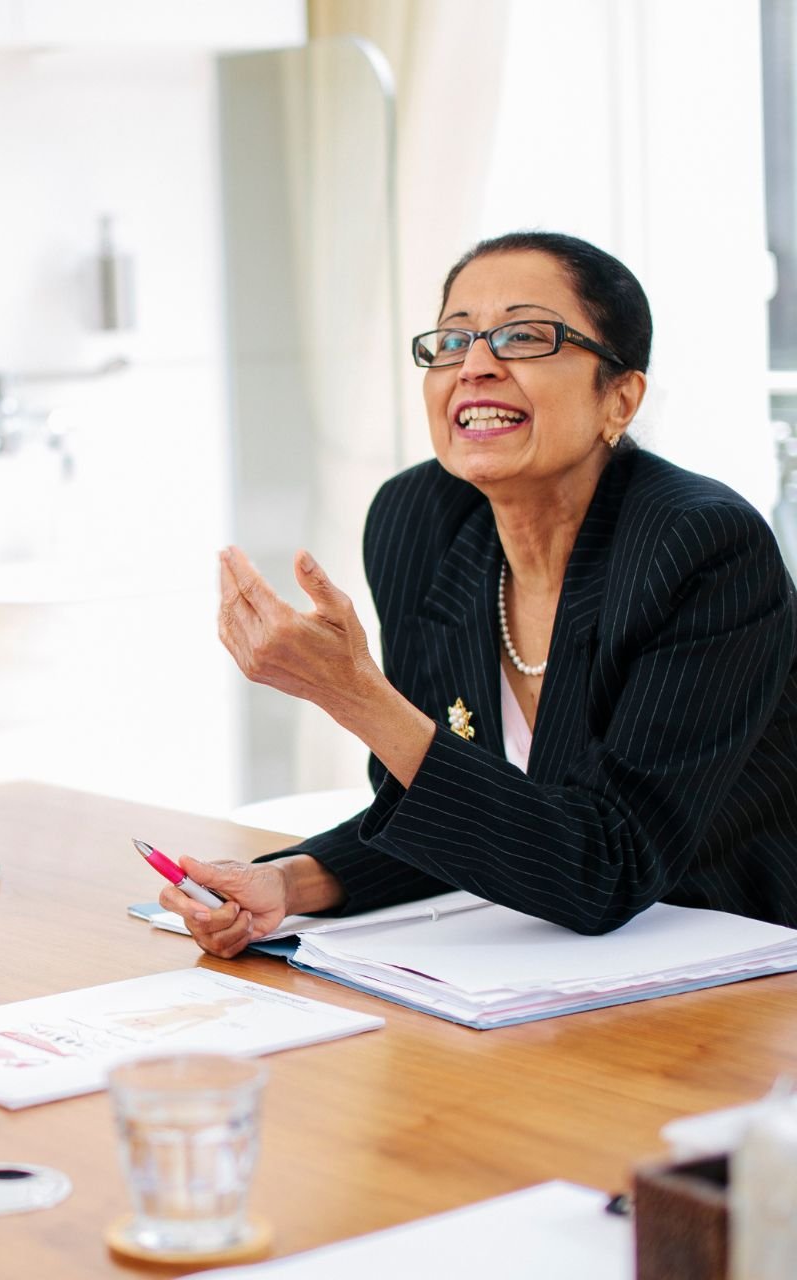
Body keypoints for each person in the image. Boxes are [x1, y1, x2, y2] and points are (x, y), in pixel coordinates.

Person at [167, 230, 797, 956]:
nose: (475, 367)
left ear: (618, 400)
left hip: (735, 963)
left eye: (524, 337)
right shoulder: (418, 521)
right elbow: (444, 806)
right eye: (453, 340)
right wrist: (289, 884)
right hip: (552, 968)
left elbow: (608, 867)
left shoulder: (699, 546)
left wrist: (353, 694)